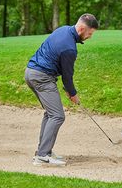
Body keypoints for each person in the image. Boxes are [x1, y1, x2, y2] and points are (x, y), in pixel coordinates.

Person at [25, 13, 99, 166]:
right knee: (57, 116)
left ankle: (43, 151)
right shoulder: (70, 49)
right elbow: (67, 75)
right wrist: (73, 93)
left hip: (31, 73)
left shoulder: (63, 29)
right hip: (42, 77)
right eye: (90, 34)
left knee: (50, 113)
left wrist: (68, 88)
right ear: (81, 29)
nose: (89, 37)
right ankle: (42, 156)